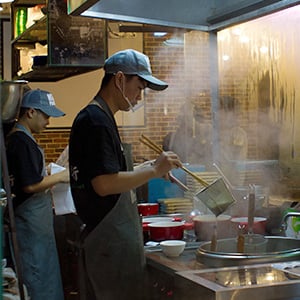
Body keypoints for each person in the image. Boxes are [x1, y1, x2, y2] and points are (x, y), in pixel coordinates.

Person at [68, 49, 183, 300]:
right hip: (108, 246)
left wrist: (150, 168)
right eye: (139, 87)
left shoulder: (100, 116)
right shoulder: (96, 120)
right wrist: (153, 170)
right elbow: (104, 184)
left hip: (111, 245)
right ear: (119, 80)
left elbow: (111, 174)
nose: (139, 96)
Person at [5, 89, 69, 300]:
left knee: (42, 274)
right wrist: (62, 176)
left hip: (36, 226)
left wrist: (48, 172)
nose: (48, 122)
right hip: (30, 226)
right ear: (31, 112)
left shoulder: (22, 139)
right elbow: (30, 186)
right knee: (37, 278)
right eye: (46, 115)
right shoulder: (21, 141)